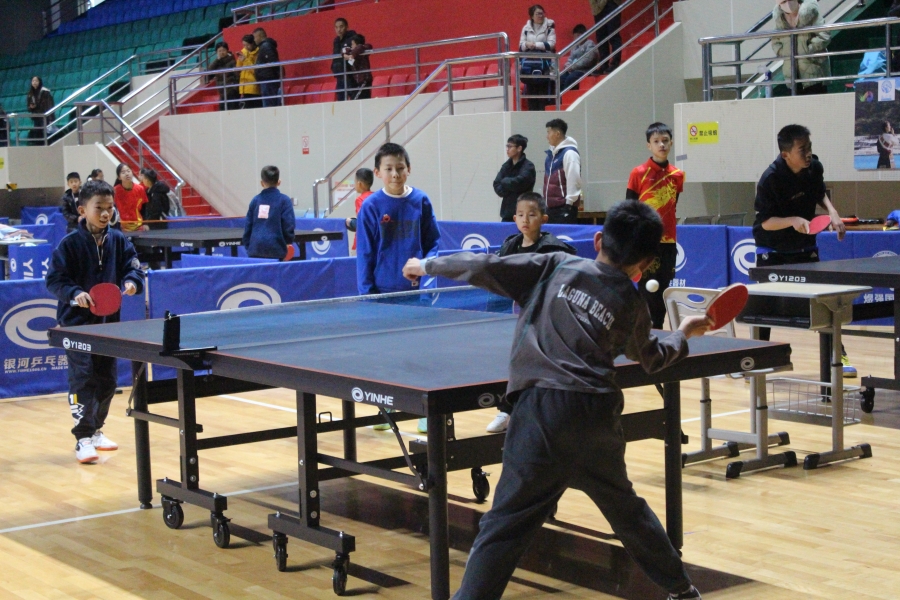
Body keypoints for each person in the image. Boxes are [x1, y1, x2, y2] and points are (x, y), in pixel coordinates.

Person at [402, 199, 708, 600]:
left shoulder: (556, 266)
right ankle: (682, 590)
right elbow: (651, 358)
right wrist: (683, 334)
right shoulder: (631, 304)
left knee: (505, 527)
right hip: (597, 414)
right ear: (646, 264)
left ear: (598, 240)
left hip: (543, 411)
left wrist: (426, 266)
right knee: (626, 510)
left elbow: (482, 266)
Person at [45, 179, 144, 464]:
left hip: (108, 325)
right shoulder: (69, 244)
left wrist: (132, 282)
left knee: (108, 380)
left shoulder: (119, 240)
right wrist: (74, 294)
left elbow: (134, 268)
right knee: (83, 378)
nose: (105, 213)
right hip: (76, 325)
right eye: (98, 207)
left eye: (109, 208)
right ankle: (83, 438)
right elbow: (54, 280)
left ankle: (97, 430)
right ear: (82, 210)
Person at [753, 124, 855, 375]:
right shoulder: (770, 179)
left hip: (805, 245)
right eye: (802, 149)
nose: (808, 153)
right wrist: (792, 220)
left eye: (809, 147)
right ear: (786, 154)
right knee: (765, 306)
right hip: (772, 249)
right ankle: (757, 359)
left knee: (825, 302)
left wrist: (832, 212)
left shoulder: (814, 167)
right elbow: (765, 222)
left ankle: (836, 356)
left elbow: (819, 192)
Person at [357, 142, 440, 435]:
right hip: (383, 295)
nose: (395, 174)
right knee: (386, 354)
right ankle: (386, 409)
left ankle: (424, 412)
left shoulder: (421, 201)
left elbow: (433, 243)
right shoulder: (371, 206)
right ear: (378, 172)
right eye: (389, 169)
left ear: (409, 169)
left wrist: (425, 270)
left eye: (400, 168)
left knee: (420, 352)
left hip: (416, 294)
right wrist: (367, 295)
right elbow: (365, 252)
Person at [485, 191, 577, 434]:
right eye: (521, 215)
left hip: (547, 320)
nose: (525, 219)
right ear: (514, 218)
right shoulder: (510, 246)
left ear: (544, 218)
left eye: (532, 215)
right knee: (518, 364)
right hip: (518, 317)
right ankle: (509, 411)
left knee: (542, 366)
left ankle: (517, 411)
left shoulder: (555, 250)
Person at [626, 122, 684, 329]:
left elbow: (673, 205)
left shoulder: (678, 175)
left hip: (668, 241)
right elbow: (630, 209)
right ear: (648, 145)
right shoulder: (638, 173)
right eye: (656, 141)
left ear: (671, 143)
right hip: (646, 242)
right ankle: (644, 329)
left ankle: (657, 329)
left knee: (664, 287)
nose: (662, 145)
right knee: (647, 288)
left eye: (665, 141)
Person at [771, 0, 830, 95]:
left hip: (814, 72)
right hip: (791, 74)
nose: (788, 4)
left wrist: (808, 49)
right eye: (784, 2)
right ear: (779, 4)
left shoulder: (810, 12)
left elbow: (824, 35)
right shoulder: (780, 19)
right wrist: (785, 53)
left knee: (816, 102)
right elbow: (775, 42)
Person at [242, 165, 296, 260]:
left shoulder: (255, 200)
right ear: (279, 182)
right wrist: (288, 242)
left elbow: (248, 225)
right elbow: (288, 224)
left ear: (262, 183)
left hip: (255, 249)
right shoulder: (285, 200)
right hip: (277, 249)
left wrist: (248, 245)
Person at [543, 118, 582, 224]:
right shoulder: (551, 155)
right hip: (550, 209)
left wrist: (568, 205)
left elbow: (574, 180)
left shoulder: (570, 154)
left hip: (564, 209)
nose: (547, 136)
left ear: (557, 134)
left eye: (549, 132)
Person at [519, 5, 556, 111]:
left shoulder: (550, 27)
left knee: (543, 96)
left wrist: (535, 45)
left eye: (542, 13)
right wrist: (527, 44)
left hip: (545, 66)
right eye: (538, 14)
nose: (541, 16)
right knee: (532, 96)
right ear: (532, 16)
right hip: (530, 67)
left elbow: (551, 44)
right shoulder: (526, 29)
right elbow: (521, 46)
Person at [493, 134, 536, 222]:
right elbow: (496, 183)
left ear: (519, 148)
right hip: (507, 213)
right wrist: (507, 189)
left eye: (510, 146)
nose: (507, 149)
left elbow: (519, 183)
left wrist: (505, 181)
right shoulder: (506, 166)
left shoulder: (528, 166)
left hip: (523, 214)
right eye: (507, 146)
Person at [561, 24, 599, 90]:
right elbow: (571, 58)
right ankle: (561, 96)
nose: (576, 38)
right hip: (573, 70)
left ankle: (569, 95)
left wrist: (573, 67)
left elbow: (588, 59)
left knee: (570, 78)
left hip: (585, 70)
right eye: (575, 36)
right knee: (561, 78)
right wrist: (567, 66)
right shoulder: (575, 46)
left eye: (578, 36)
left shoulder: (589, 43)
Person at [344, 167, 374, 251]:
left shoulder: (360, 200)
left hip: (362, 243)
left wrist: (350, 222)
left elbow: (363, 222)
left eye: (355, 182)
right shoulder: (376, 197)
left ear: (359, 184)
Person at [113, 163, 148, 232]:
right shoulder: (114, 191)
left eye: (128, 171)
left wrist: (145, 223)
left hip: (138, 226)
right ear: (119, 177)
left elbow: (145, 208)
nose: (127, 174)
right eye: (123, 172)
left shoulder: (140, 189)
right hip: (121, 227)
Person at [590, 0, 622, 74]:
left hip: (611, 3)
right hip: (597, 6)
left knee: (613, 35)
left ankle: (615, 63)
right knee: (601, 37)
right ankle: (603, 65)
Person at [253, 28, 282, 108]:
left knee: (269, 106)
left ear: (259, 36)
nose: (254, 40)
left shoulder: (266, 46)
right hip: (267, 80)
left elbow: (273, 62)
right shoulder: (264, 46)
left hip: (268, 81)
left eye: (255, 37)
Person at [207, 41, 239, 111]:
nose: (222, 52)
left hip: (231, 91)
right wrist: (217, 60)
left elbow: (237, 75)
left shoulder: (232, 61)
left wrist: (235, 88)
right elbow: (209, 71)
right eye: (219, 51)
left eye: (223, 50)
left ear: (227, 51)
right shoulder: (217, 62)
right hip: (222, 91)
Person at [332, 18, 357, 101]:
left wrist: (350, 64)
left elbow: (355, 52)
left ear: (347, 27)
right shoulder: (336, 41)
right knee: (341, 99)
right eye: (336, 27)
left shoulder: (352, 38)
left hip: (350, 74)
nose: (339, 30)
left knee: (353, 97)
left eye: (341, 26)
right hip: (339, 74)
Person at [26, 76, 54, 146]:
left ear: (40, 82)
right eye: (33, 81)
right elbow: (28, 107)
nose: (34, 82)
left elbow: (49, 105)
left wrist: (50, 118)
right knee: (38, 135)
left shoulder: (45, 92)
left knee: (45, 134)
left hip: (45, 117)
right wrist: (31, 107)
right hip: (36, 117)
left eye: (36, 81)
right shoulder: (30, 93)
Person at [345, 34, 374, 100]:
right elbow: (344, 50)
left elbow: (362, 47)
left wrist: (352, 55)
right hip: (358, 81)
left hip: (364, 80)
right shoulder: (353, 52)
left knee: (356, 99)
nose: (351, 46)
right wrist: (346, 55)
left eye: (352, 44)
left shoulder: (363, 51)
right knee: (364, 98)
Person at [237, 34, 262, 109]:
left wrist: (245, 60)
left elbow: (256, 70)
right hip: (244, 86)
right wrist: (240, 60)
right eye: (244, 45)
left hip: (254, 86)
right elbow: (238, 68)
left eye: (247, 45)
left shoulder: (258, 53)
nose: (246, 47)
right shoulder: (243, 52)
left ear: (252, 43)